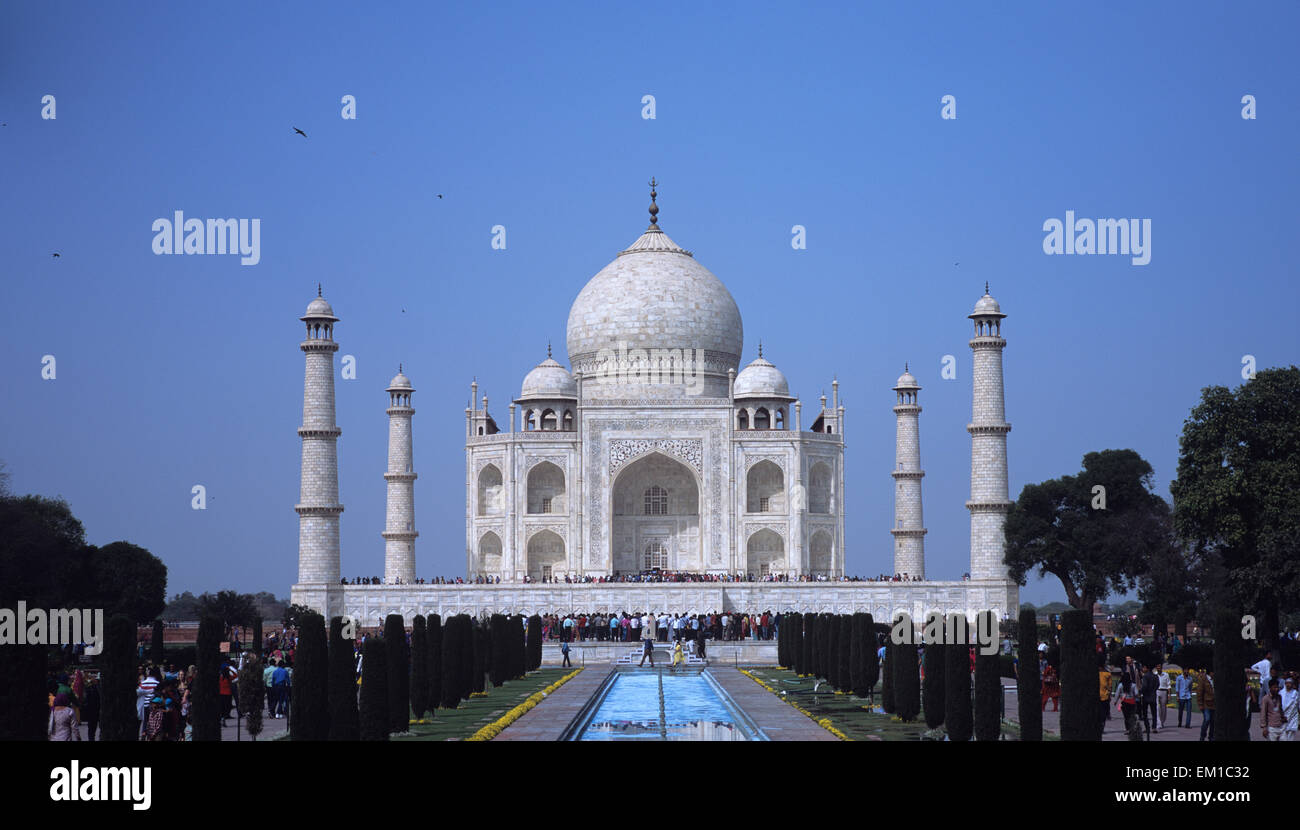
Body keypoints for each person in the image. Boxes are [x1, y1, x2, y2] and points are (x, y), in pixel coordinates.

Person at [1139, 665, 1159, 736]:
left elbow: (1144, 686)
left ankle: (1147, 727)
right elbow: (1157, 685)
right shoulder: (1155, 676)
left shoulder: (1145, 676)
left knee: (1145, 713)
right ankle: (1154, 727)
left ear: (1147, 668)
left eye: (1143, 667)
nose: (1142, 669)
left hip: (1146, 697)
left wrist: (1140, 691)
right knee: (1154, 713)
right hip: (1153, 696)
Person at [1197, 669, 1216, 741]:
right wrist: (1200, 704)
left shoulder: (1215, 679)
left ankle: (1211, 737)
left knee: (1213, 721)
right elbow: (1199, 692)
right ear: (1210, 672)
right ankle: (1202, 736)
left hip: (1214, 704)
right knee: (1207, 719)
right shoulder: (1203, 679)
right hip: (1206, 704)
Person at [82, 676, 101, 742]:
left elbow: (85, 700)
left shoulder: (88, 689)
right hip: (97, 710)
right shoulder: (100, 689)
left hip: (91, 711)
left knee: (91, 729)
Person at [1281, 675, 1299, 742]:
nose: (1288, 685)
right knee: (1283, 734)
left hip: (1293, 716)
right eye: (1287, 683)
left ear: (1292, 684)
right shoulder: (1281, 693)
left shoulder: (1295, 693)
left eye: (1290, 683)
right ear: (1285, 684)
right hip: (1283, 716)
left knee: (1291, 734)